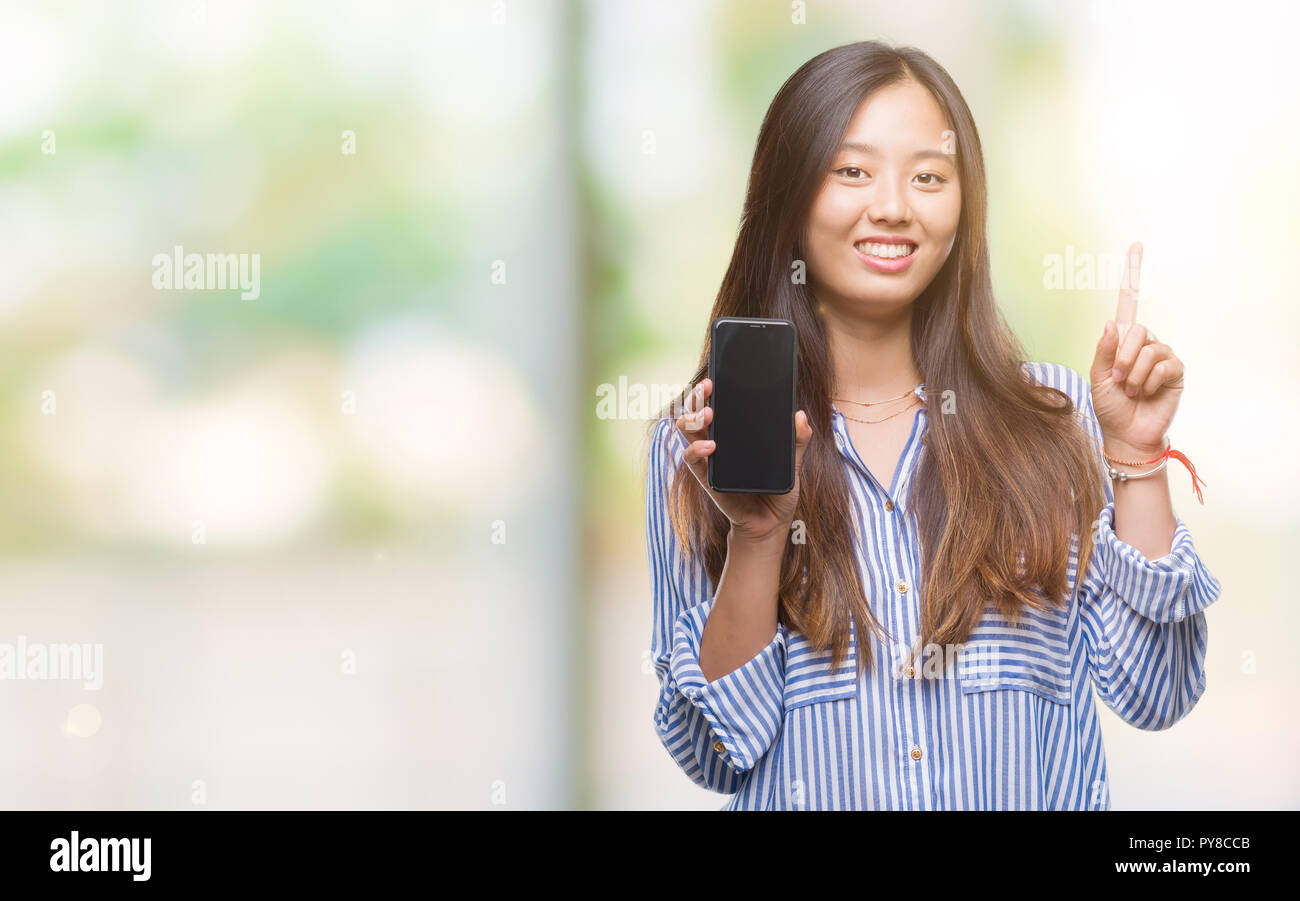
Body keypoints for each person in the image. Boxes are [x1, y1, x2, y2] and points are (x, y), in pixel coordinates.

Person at [643, 40, 1220, 810]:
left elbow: (1158, 692)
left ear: (964, 205)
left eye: (928, 176)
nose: (893, 205)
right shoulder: (702, 444)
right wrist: (758, 538)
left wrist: (1138, 455)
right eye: (853, 171)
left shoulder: (1050, 422)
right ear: (788, 195)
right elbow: (715, 751)